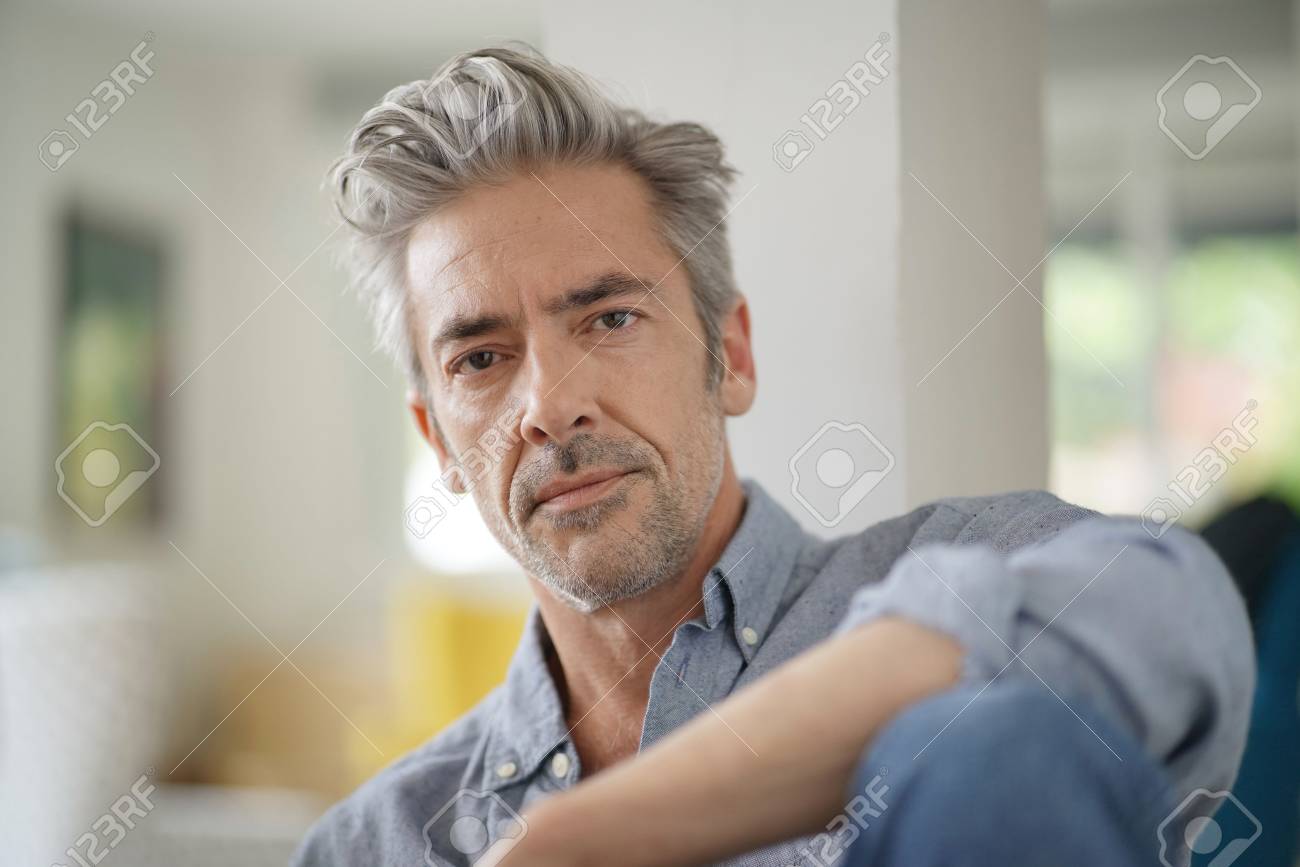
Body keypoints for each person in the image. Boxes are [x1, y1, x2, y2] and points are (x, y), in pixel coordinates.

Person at [292, 46, 1253, 867]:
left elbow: (1175, 601)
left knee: (990, 739)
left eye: (611, 317)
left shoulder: (963, 565)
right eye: (481, 358)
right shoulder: (373, 844)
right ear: (438, 440)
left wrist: (589, 835)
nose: (548, 405)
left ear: (732, 356)